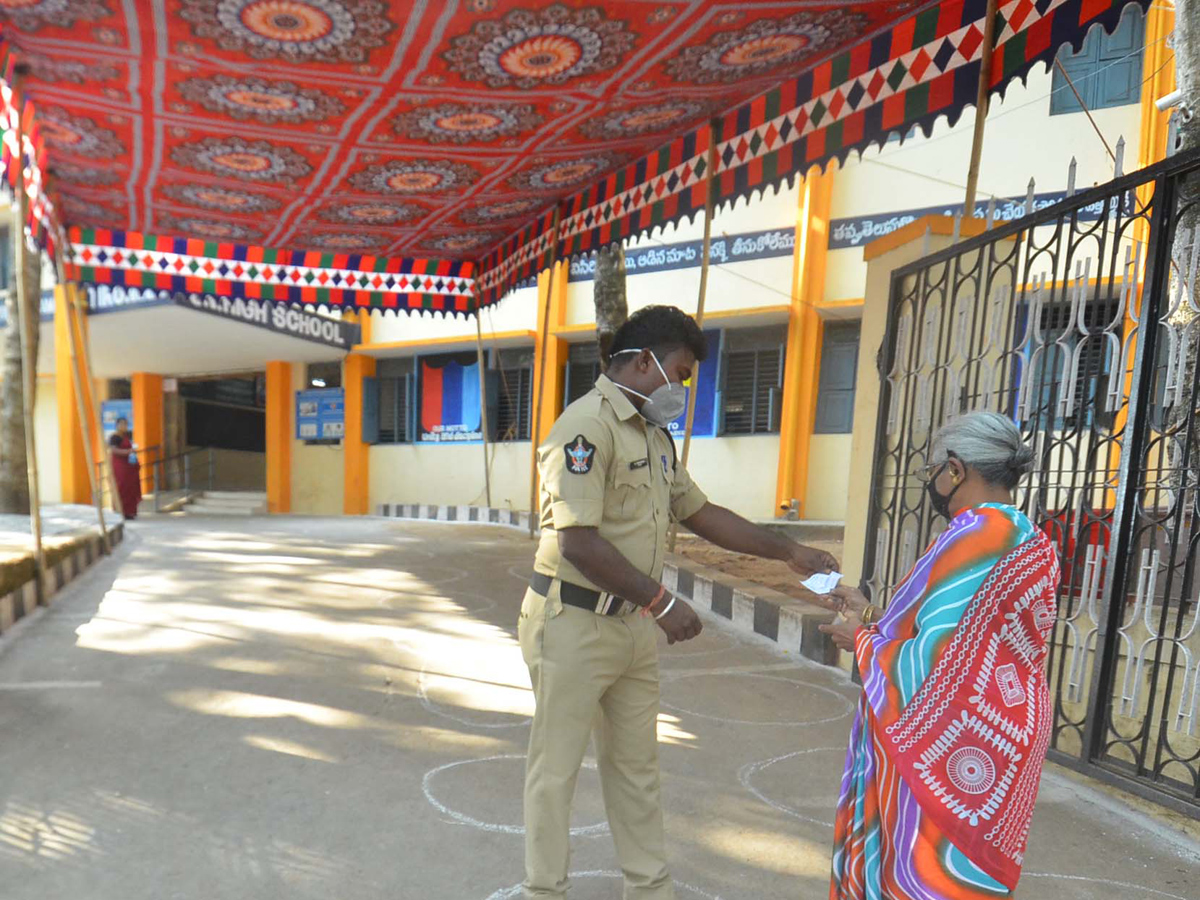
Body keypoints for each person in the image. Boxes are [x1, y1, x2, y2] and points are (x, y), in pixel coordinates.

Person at [520, 305, 839, 900]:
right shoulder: (584, 428)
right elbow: (579, 542)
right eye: (682, 372)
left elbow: (700, 512)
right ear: (644, 363)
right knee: (554, 773)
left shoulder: (653, 434)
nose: (685, 387)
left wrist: (786, 551)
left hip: (631, 627)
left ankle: (649, 890)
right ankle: (545, 891)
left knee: (637, 771)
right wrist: (664, 603)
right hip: (571, 623)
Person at [820, 411, 1060, 900]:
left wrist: (861, 642)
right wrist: (870, 615)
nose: (931, 484)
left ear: (956, 469)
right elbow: (967, 639)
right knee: (957, 874)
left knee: (924, 874)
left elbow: (936, 666)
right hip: (999, 732)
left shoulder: (976, 536)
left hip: (946, 743)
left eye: (932, 472)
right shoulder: (1028, 538)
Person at [108, 416, 141, 520]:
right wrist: (127, 452)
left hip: (129, 467)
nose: (124, 426)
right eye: (122, 424)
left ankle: (129, 512)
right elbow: (114, 450)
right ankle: (119, 511)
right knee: (121, 488)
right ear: (117, 425)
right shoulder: (114, 437)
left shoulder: (127, 436)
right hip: (120, 467)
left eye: (126, 424)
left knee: (130, 488)